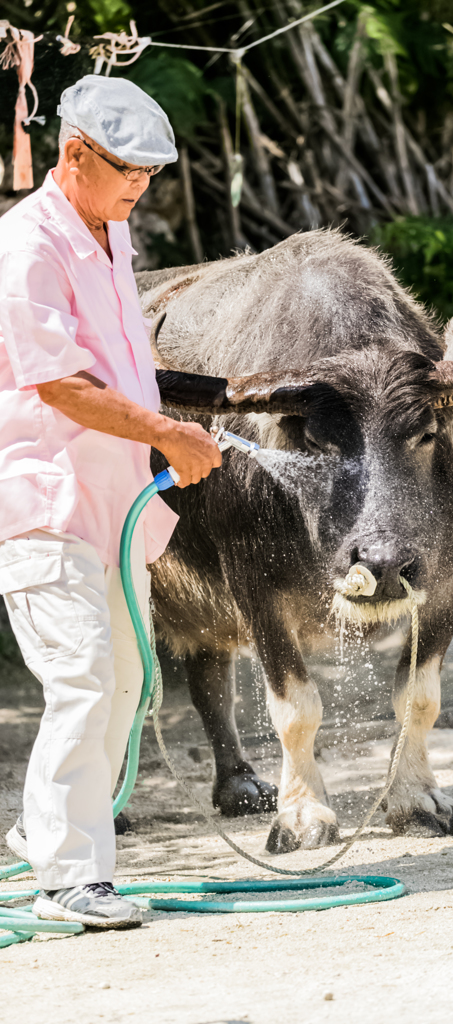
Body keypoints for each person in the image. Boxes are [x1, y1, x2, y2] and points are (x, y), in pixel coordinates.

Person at [0, 75, 221, 928]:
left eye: (150, 173)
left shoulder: (110, 231)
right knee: (84, 678)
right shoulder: (27, 246)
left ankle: (50, 834)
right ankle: (65, 880)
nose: (138, 186)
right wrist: (167, 433)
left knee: (124, 679)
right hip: (43, 498)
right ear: (75, 152)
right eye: (125, 168)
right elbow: (57, 381)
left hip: (116, 504)